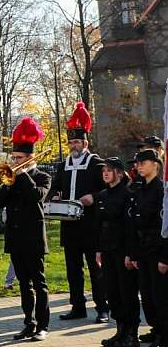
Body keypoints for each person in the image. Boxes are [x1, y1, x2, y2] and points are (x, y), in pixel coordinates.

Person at [0, 116, 52, 341]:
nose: (15, 161)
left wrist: (22, 174)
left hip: (34, 238)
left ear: (29, 158)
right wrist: (8, 182)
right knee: (24, 285)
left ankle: (43, 326)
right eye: (13, 157)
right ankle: (29, 323)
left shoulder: (42, 176)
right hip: (15, 238)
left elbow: (36, 196)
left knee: (39, 283)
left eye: (19, 158)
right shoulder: (12, 178)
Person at [49, 102, 108, 322]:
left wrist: (94, 197)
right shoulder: (63, 164)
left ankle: (102, 308)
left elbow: (108, 189)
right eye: (71, 142)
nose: (73, 145)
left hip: (90, 224)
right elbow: (55, 186)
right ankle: (78, 307)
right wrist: (55, 195)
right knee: (73, 270)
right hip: (69, 224)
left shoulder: (95, 162)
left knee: (95, 269)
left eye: (77, 141)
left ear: (85, 142)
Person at [95, 157, 140, 347]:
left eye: (109, 170)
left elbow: (130, 226)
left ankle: (132, 334)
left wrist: (131, 253)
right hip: (107, 249)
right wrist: (98, 249)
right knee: (112, 291)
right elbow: (98, 224)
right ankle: (120, 331)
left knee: (127, 292)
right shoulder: (103, 195)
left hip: (123, 250)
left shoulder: (128, 194)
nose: (105, 173)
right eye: (104, 169)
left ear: (119, 174)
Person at [126, 149, 168, 347]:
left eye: (143, 162)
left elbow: (164, 225)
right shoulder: (139, 189)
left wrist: (165, 257)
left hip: (157, 250)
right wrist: (133, 253)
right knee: (147, 295)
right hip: (142, 250)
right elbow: (134, 222)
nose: (138, 166)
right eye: (138, 163)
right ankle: (155, 328)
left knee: (159, 296)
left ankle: (164, 333)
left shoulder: (162, 190)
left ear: (155, 165)